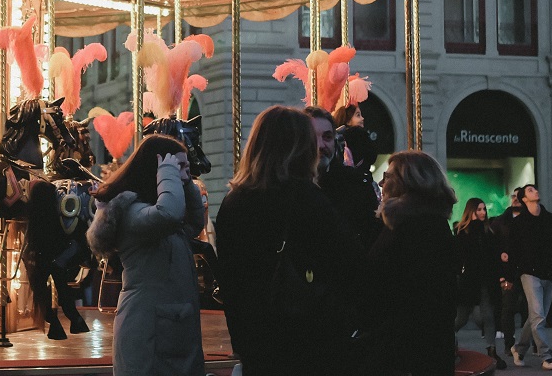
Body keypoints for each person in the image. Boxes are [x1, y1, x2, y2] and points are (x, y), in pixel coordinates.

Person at [220, 105, 363, 376]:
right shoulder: (306, 198)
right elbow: (350, 262)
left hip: (256, 342)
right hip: (308, 340)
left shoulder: (235, 201)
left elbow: (230, 275)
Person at [86, 134, 206, 376]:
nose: (185, 175)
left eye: (186, 168)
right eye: (178, 167)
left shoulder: (154, 214)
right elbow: (169, 215)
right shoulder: (132, 213)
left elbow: (193, 223)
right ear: (158, 171)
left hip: (169, 328)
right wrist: (169, 176)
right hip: (148, 330)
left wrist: (184, 181)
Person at [364, 150, 458, 376]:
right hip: (418, 348)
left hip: (408, 352)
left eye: (387, 176)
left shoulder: (416, 227)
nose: (381, 182)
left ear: (405, 182)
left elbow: (414, 293)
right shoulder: (419, 223)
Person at [508, 184, 552, 370]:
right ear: (524, 199)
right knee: (539, 315)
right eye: (531, 190)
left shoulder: (551, 220)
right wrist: (511, 275)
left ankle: (519, 348)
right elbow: (514, 249)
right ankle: (546, 356)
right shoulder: (518, 223)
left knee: (536, 316)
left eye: (535, 189)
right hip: (529, 272)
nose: (536, 191)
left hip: (548, 273)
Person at [305, 105, 380, 248]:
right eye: (312, 137)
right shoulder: (287, 187)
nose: (320, 145)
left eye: (327, 137)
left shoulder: (356, 186)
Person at [454, 197, 507, 369]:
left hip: (486, 280)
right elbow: (463, 256)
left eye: (484, 209)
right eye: (479, 209)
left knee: (488, 316)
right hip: (469, 281)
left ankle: (492, 351)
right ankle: (445, 342)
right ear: (471, 211)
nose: (483, 212)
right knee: (460, 318)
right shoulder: (462, 231)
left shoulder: (488, 232)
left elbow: (491, 256)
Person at [493, 189, 527, 356]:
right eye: (513, 196)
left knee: (530, 308)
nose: (515, 199)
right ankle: (509, 344)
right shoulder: (500, 222)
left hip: (528, 270)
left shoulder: (531, 220)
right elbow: (492, 246)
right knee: (508, 308)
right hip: (507, 272)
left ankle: (532, 344)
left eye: (519, 197)